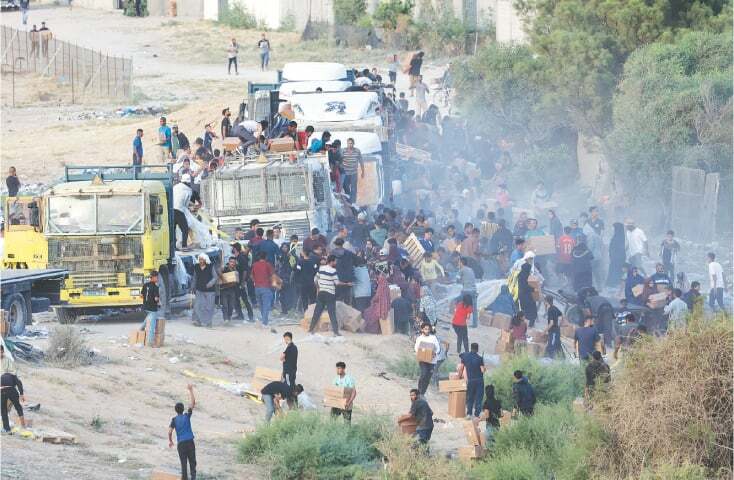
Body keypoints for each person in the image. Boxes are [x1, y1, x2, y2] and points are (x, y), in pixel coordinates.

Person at [168, 385, 196, 480]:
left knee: (183, 464)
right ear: (183, 409)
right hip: (190, 442)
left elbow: (169, 432)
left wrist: (171, 441)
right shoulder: (187, 416)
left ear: (175, 410)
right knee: (192, 462)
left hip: (181, 444)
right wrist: (191, 390)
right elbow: (193, 403)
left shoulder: (174, 420)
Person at [309, 255, 340, 335]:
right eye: (335, 261)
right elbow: (337, 283)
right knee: (332, 313)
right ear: (332, 261)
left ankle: (311, 329)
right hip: (330, 294)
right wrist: (346, 283)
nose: (336, 262)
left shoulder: (321, 268)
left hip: (321, 293)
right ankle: (336, 332)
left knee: (317, 312)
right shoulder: (333, 271)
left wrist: (318, 288)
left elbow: (315, 279)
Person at [458, 343, 486, 418]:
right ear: (477, 349)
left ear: (471, 348)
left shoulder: (465, 356)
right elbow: (483, 370)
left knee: (470, 397)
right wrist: (484, 367)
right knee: (478, 398)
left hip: (470, 380)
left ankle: (469, 414)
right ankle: (477, 414)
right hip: (479, 380)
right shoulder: (480, 358)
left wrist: (459, 376)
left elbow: (461, 368)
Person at [172, 174, 200, 249]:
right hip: (179, 210)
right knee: (185, 229)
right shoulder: (189, 190)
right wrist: (192, 207)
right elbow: (186, 204)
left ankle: (173, 247)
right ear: (189, 182)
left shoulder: (175, 187)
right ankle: (184, 246)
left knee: (173, 229)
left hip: (171, 210)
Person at [414, 323, 440, 395]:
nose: (427, 330)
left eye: (428, 329)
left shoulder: (433, 338)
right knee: (424, 373)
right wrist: (419, 353)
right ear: (422, 329)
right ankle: (419, 390)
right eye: (425, 329)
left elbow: (438, 348)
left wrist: (435, 353)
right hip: (422, 360)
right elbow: (416, 348)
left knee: (428, 377)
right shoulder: (419, 338)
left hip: (432, 361)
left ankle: (422, 393)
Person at [192, 254, 217, 328]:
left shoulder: (210, 266)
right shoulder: (196, 267)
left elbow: (215, 277)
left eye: (202, 260)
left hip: (210, 290)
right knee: (198, 306)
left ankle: (209, 322)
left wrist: (209, 284)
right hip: (199, 289)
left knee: (209, 307)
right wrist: (192, 287)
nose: (201, 261)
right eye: (200, 259)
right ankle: (198, 321)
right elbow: (195, 277)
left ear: (206, 260)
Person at [231, 242, 254, 322]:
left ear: (235, 249)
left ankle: (251, 316)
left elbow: (245, 271)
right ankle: (240, 315)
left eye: (233, 248)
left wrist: (243, 282)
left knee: (245, 299)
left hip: (241, 282)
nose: (232, 249)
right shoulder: (236, 258)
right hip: (236, 282)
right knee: (236, 299)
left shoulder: (241, 257)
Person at [1, 362, 26, 433]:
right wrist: (21, 394)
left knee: (3, 409)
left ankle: (6, 429)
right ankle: (23, 425)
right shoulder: (13, 375)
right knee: (18, 406)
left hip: (2, 391)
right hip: (12, 391)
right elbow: (19, 384)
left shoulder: (2, 376)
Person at [252, 252, 275, 326]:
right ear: (266, 257)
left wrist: (255, 281)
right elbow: (272, 275)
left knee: (261, 305)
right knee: (266, 305)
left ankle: (264, 319)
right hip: (266, 287)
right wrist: (274, 284)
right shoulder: (268, 265)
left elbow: (251, 276)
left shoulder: (254, 265)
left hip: (257, 288)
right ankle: (264, 321)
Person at [138, 271, 160, 345]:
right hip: (152, 308)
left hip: (145, 306)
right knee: (152, 326)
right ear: (153, 277)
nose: (158, 278)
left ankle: (141, 330)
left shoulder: (145, 285)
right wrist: (159, 301)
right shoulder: (155, 287)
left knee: (148, 317)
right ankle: (150, 342)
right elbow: (156, 299)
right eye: (157, 277)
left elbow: (141, 296)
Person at [341, 138, 364, 204]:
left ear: (353, 144)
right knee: (346, 187)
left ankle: (353, 202)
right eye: (349, 143)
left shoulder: (357, 151)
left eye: (351, 143)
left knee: (354, 188)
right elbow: (340, 160)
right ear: (347, 144)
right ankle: (349, 201)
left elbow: (361, 161)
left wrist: (363, 172)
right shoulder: (343, 151)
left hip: (354, 172)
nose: (350, 145)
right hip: (346, 173)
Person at [457, 256, 479, 328]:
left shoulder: (461, 270)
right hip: (474, 290)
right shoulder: (471, 270)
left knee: (458, 303)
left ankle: (460, 321)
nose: (458, 263)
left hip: (466, 291)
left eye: (459, 262)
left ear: (461, 263)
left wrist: (461, 281)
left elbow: (457, 280)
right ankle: (475, 324)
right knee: (474, 309)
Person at [516, 262, 537, 327]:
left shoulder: (520, 275)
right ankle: (530, 323)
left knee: (524, 309)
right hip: (527, 296)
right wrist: (532, 288)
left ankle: (523, 322)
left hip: (521, 296)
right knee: (532, 308)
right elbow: (527, 287)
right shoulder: (527, 276)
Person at [219, 257, 240, 323]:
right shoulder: (224, 268)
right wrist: (223, 278)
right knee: (225, 305)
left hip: (232, 290)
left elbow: (237, 280)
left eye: (234, 262)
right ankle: (226, 319)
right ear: (229, 262)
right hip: (224, 289)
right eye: (231, 262)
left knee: (231, 305)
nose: (232, 263)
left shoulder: (236, 270)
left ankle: (229, 316)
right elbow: (218, 272)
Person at [606, 222, 626, 288]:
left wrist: (613, 256)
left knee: (616, 270)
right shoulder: (618, 236)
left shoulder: (619, 237)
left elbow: (619, 248)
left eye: (614, 228)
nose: (613, 230)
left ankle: (614, 284)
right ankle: (614, 283)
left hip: (617, 259)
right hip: (615, 258)